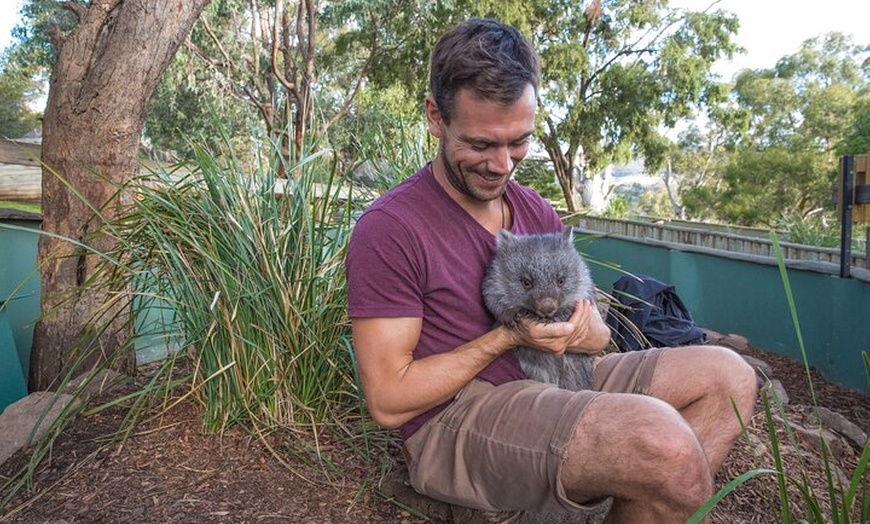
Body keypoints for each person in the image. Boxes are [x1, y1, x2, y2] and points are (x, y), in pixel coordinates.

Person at [345, 17, 757, 524]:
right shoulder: (392, 227)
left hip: (561, 378)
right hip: (462, 414)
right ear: (435, 116)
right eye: (480, 144)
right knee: (664, 445)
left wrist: (580, 330)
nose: (502, 165)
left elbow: (598, 335)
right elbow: (389, 400)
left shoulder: (535, 211)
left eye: (518, 141)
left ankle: (638, 503)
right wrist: (506, 339)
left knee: (728, 377)